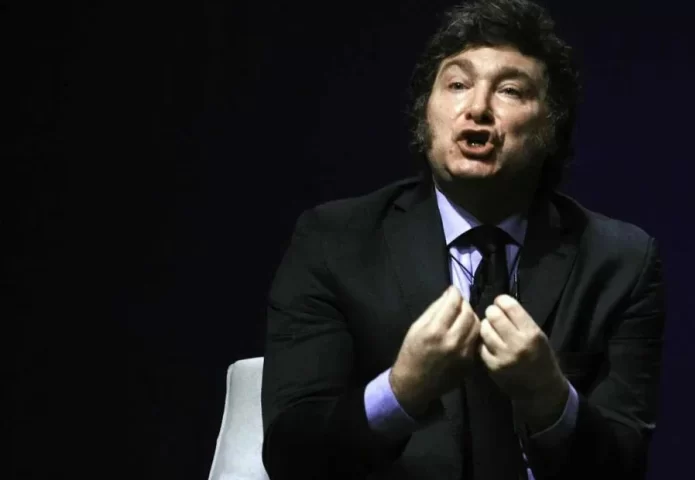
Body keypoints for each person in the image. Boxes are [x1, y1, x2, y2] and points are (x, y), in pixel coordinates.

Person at [261, 0, 665, 478]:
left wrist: (550, 397)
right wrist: (402, 390)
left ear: (552, 127)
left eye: (510, 90)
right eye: (457, 84)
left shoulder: (620, 261)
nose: (477, 108)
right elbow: (291, 455)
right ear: (425, 113)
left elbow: (624, 465)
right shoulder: (334, 242)